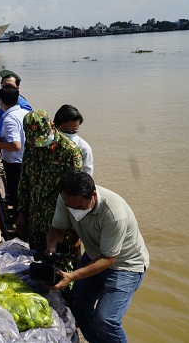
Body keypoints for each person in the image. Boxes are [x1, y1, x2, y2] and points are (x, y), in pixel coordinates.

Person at [46, 171, 149, 343]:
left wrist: (71, 276)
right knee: (78, 306)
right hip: (95, 255)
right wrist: (51, 247)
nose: (73, 211)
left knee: (107, 320)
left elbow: (109, 259)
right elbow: (57, 229)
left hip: (126, 266)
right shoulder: (67, 200)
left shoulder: (114, 213)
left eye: (79, 207)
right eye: (70, 207)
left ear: (93, 195)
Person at [16, 110, 83, 253]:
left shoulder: (69, 152)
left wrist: (77, 230)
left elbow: (78, 193)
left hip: (59, 223)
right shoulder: (31, 145)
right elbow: (24, 179)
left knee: (61, 266)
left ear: (52, 126)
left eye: (41, 138)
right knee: (35, 261)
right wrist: (21, 212)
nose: (38, 144)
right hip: (35, 218)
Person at [0, 86, 29, 218]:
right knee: (22, 190)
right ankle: (20, 214)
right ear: (18, 99)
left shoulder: (10, 118)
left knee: (15, 190)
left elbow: (15, 145)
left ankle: (17, 217)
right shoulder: (25, 113)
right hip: (25, 159)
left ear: (0, 101)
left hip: (14, 161)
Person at [54, 104, 94, 176]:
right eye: (67, 131)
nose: (70, 134)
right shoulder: (46, 144)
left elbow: (87, 174)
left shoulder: (84, 148)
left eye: (74, 131)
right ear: (56, 125)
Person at [0, 70, 32, 141]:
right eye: (4, 86)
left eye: (10, 86)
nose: (6, 89)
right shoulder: (3, 100)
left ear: (17, 88)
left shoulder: (22, 104)